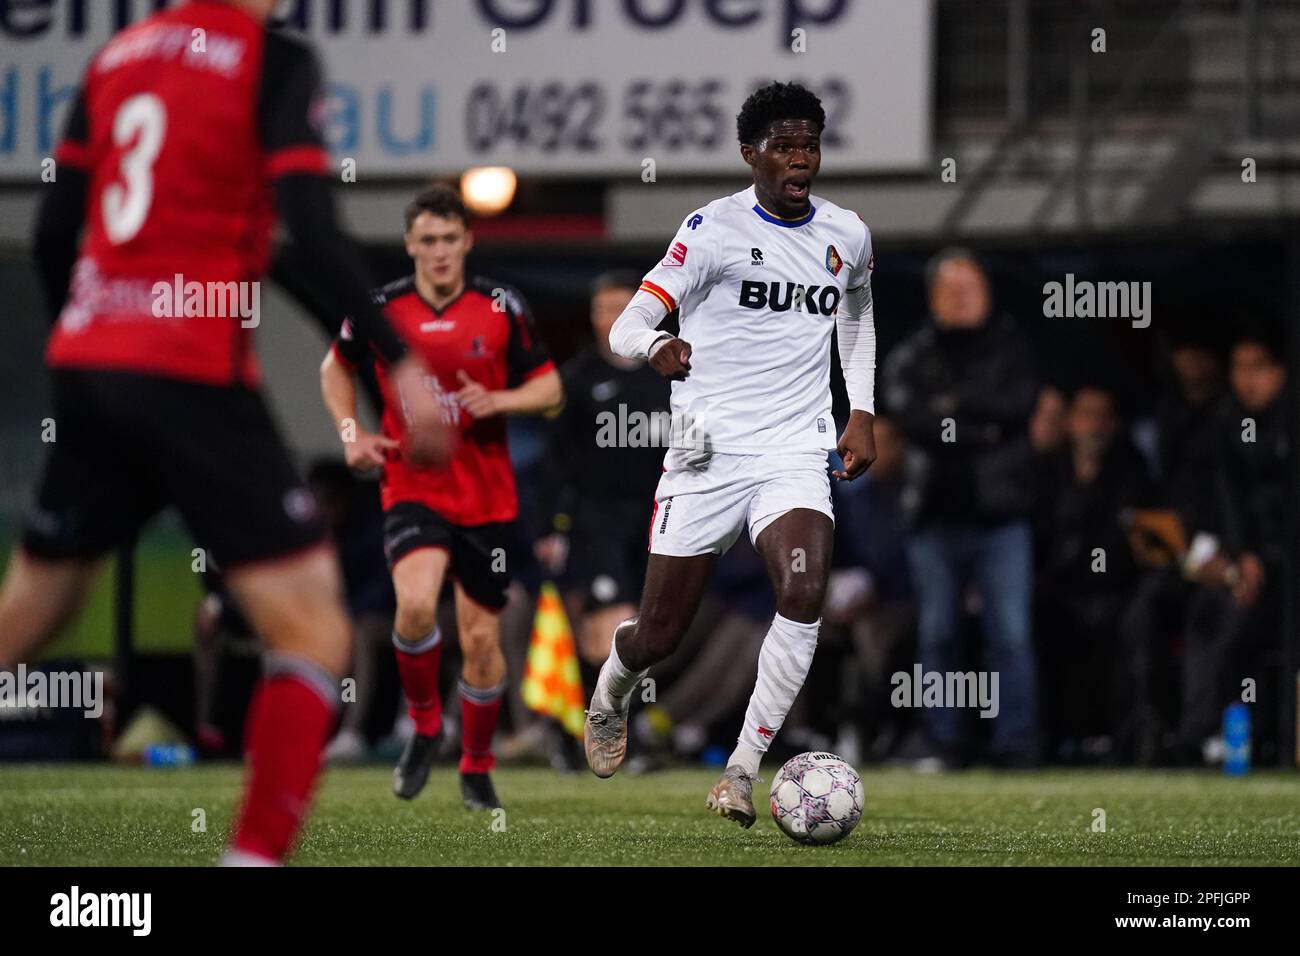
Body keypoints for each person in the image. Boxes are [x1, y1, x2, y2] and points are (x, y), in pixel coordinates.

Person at [0, 0, 446, 866]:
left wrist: (84, 342)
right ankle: (252, 858)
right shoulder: (270, 59)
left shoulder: (116, 56)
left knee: (32, 613)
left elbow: (54, 229)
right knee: (313, 633)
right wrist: (396, 361)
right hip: (193, 373)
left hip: (92, 361)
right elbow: (310, 224)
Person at [581, 81, 878, 829]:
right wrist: (656, 343)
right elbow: (627, 323)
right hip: (706, 454)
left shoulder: (847, 234)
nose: (799, 159)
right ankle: (614, 686)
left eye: (809, 145)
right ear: (751, 154)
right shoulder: (711, 229)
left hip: (794, 450)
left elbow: (857, 320)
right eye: (783, 146)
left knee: (804, 592)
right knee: (659, 635)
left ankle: (741, 771)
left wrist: (862, 411)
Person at [320, 184, 563, 810]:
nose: (439, 251)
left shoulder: (502, 305)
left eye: (450, 238)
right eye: (428, 240)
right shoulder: (381, 308)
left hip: (487, 497)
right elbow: (334, 367)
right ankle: (426, 723)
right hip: (412, 485)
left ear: (467, 241)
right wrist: (351, 435)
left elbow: (550, 388)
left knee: (481, 643)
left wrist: (501, 400)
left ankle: (476, 765)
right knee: (415, 607)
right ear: (410, 244)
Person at [882, 247, 1039, 767]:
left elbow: (1017, 408)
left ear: (987, 293)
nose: (963, 299)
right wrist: (981, 423)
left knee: (1009, 633)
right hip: (934, 516)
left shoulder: (1012, 347)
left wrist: (953, 405)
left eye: (971, 289)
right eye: (952, 291)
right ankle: (943, 742)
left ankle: (1016, 745)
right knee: (939, 634)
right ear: (933, 297)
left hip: (1001, 515)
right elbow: (911, 418)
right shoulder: (913, 353)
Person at [537, 270, 671, 675]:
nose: (612, 318)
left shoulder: (672, 376)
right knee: (612, 625)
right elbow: (555, 461)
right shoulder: (577, 380)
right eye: (603, 309)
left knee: (652, 627)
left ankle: (629, 710)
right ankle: (602, 710)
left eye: (622, 308)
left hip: (660, 520)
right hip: (599, 522)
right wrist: (550, 528)